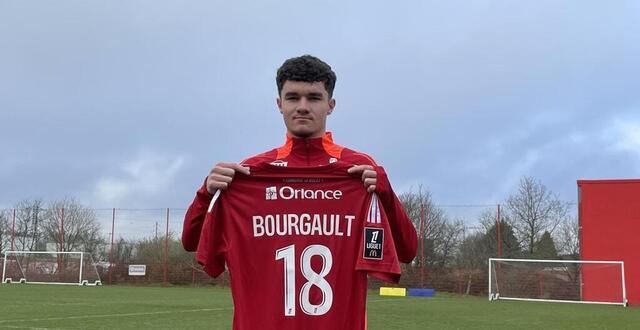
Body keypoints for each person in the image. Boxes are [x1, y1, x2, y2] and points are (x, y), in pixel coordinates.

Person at [183, 55, 417, 264]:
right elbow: (190, 243)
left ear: (330, 106)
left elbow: (407, 251)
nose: (303, 107)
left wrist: (386, 195)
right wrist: (206, 193)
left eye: (314, 98)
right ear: (280, 104)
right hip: (263, 314)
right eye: (293, 98)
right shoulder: (250, 172)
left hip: (340, 315)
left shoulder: (359, 168)